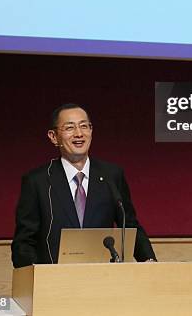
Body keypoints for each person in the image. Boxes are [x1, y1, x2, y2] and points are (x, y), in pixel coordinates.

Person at [11, 103, 156, 267]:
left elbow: (130, 226)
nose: (79, 134)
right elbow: (24, 241)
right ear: (53, 136)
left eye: (84, 126)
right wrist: (33, 274)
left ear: (91, 131)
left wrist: (149, 261)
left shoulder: (111, 175)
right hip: (54, 282)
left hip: (102, 277)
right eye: (69, 128)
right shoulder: (38, 181)